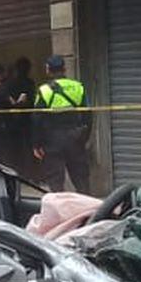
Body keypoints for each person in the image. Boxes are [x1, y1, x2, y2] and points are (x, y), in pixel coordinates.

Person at [32, 54, 92, 193]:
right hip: (75, 137)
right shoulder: (78, 87)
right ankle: (89, 211)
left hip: (52, 140)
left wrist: (36, 144)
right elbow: (88, 114)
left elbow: (36, 119)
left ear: (48, 70)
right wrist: (84, 137)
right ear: (64, 68)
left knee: (55, 182)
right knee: (82, 181)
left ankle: (61, 211)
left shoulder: (44, 90)